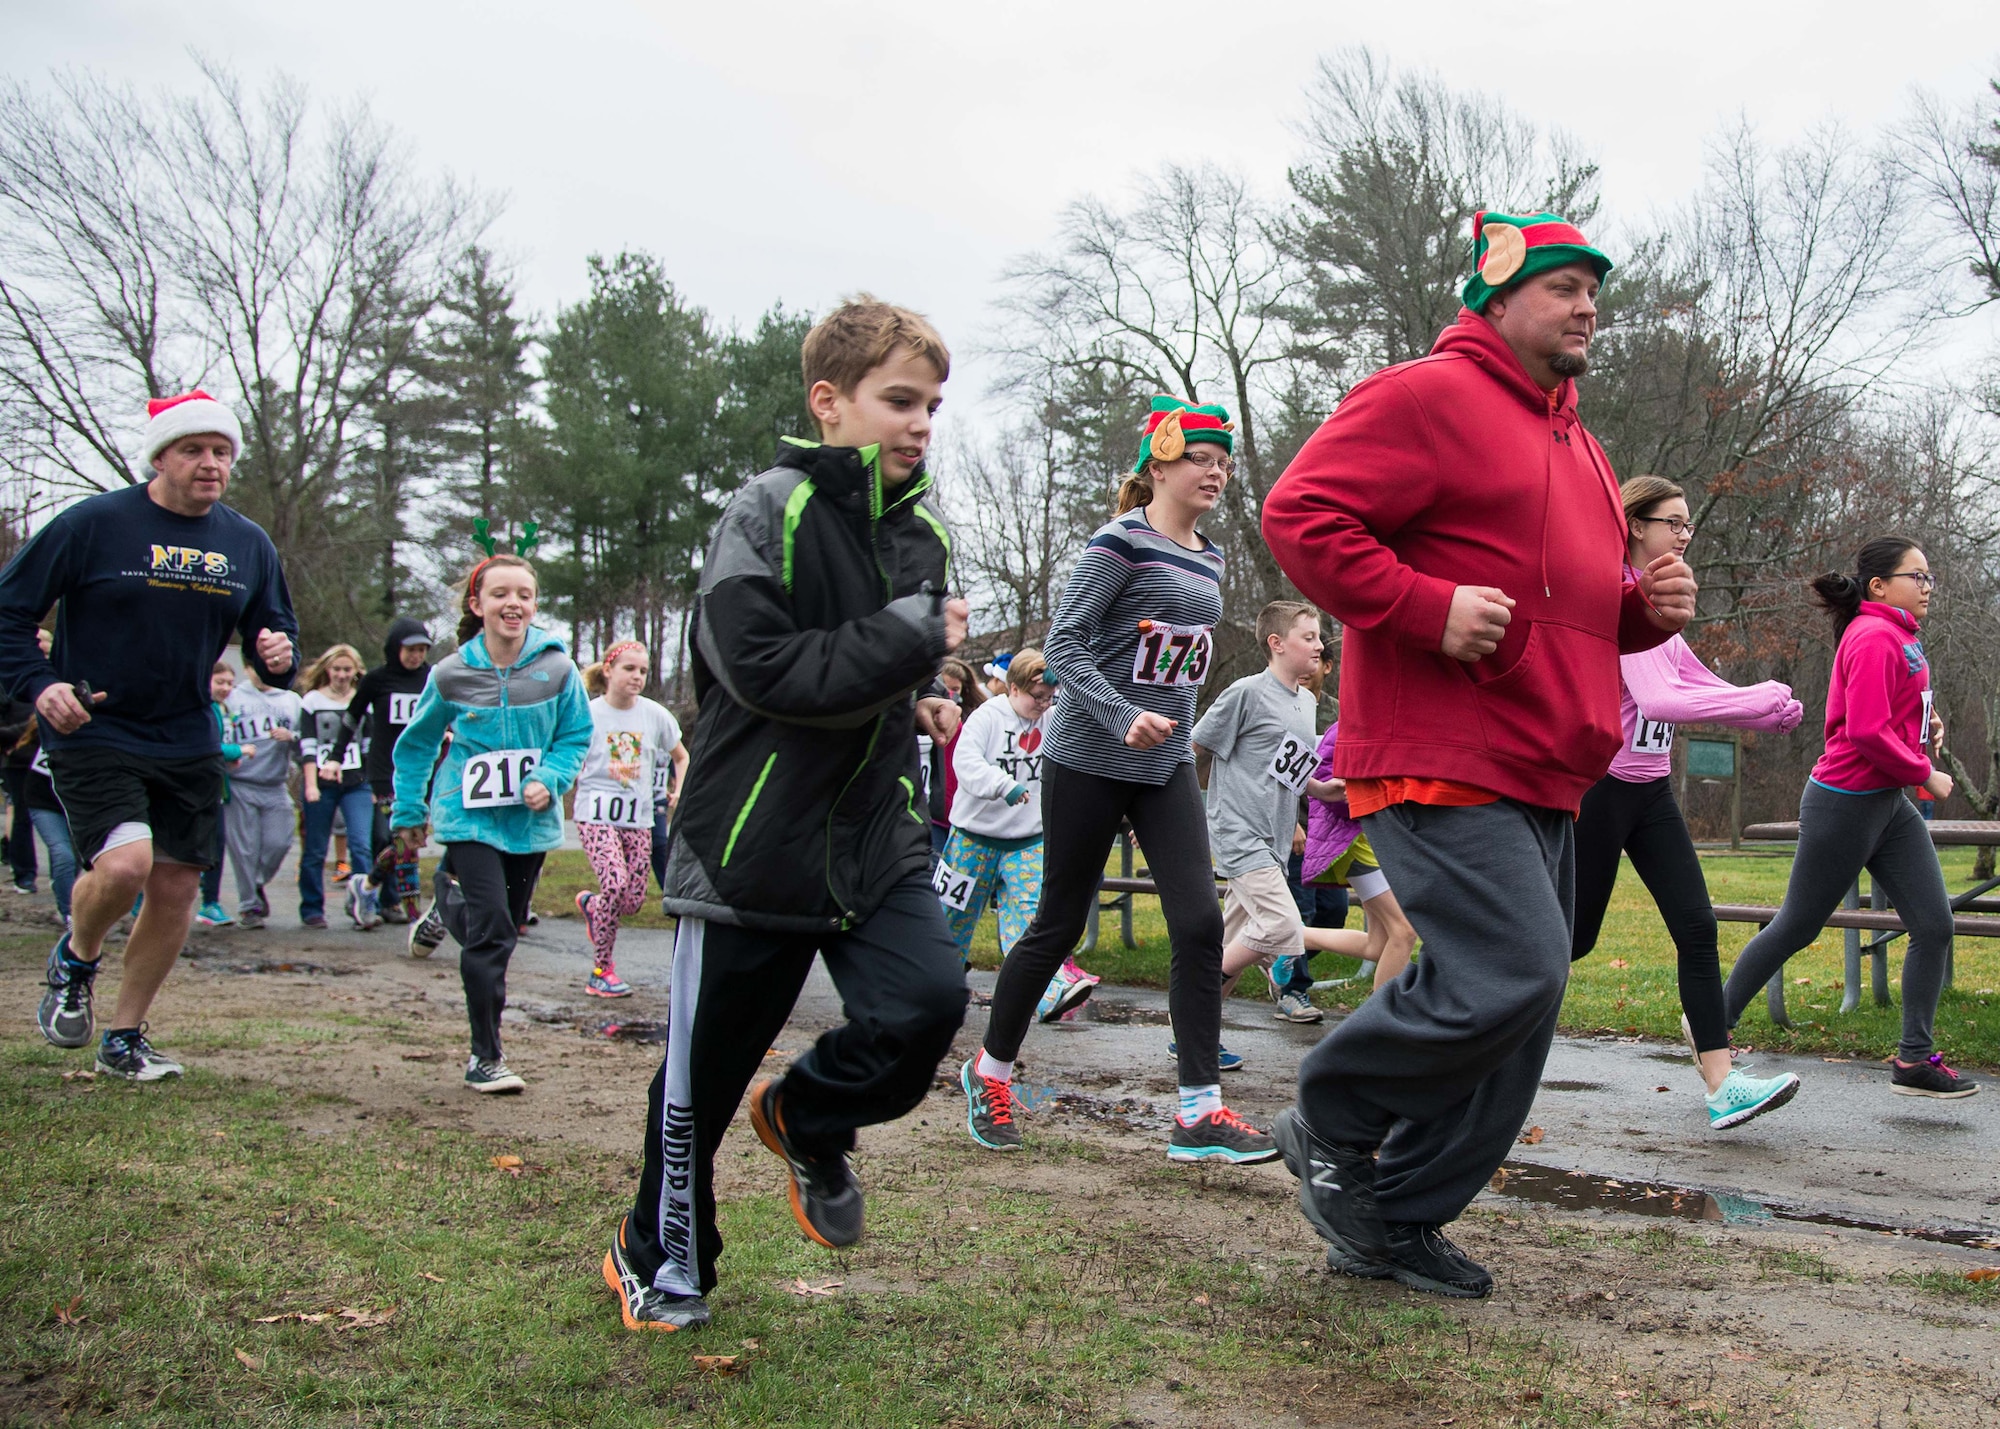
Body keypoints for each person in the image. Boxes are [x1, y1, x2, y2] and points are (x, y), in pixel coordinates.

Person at [1261, 211, 1697, 1297]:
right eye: (1561, 286)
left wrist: (1643, 613)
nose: (1586, 305)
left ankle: (1393, 1216)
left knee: (1520, 1006)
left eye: (1594, 288)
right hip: (1436, 748)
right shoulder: (1424, 395)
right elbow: (1301, 515)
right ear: (1495, 299)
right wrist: (1420, 605)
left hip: (1547, 760)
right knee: (1514, 969)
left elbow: (1573, 613)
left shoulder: (1585, 451)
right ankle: (1327, 1114)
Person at [607, 298, 969, 1334]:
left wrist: (923, 689)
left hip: (873, 838)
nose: (918, 424)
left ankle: (806, 1115)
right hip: (750, 846)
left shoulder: (924, 530)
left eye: (931, 407)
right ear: (829, 401)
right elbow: (757, 670)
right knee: (697, 1087)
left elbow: (885, 672)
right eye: (898, 400)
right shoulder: (761, 511)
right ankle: (659, 1255)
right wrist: (908, 645)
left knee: (925, 1005)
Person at [960, 396, 1277, 1166]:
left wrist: (1172, 733)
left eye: (1224, 462)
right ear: (1160, 463)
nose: (1216, 472)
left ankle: (1198, 1113)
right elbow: (1062, 648)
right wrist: (1120, 712)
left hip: (1161, 766)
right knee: (1057, 925)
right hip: (1088, 757)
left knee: (1201, 923)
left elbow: (1180, 665)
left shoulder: (1209, 555)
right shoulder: (1118, 544)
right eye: (1202, 457)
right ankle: (989, 1071)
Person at [0, 389, 298, 1081]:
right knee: (128, 864)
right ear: (159, 456)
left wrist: (274, 655)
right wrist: (42, 684)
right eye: (193, 449)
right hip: (93, 723)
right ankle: (77, 955)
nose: (209, 463)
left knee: (174, 888)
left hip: (188, 734)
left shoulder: (247, 542)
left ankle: (123, 1037)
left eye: (221, 452)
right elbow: (8, 613)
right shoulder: (96, 524)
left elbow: (272, 634)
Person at [1573, 476, 1805, 1127]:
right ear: (1635, 526)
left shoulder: (1664, 612)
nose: (1684, 532)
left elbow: (1695, 679)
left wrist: (1764, 712)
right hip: (1602, 790)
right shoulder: (1624, 599)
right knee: (1572, 939)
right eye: (1671, 521)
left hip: (1650, 791)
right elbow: (1660, 700)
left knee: (1697, 927)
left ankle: (1722, 1083)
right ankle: (1465, 1030)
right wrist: (1753, 700)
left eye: (1688, 524)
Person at [1722, 537, 1977, 1099]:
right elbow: (1862, 730)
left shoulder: (1901, 637)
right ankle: (1714, 1029)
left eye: (1930, 577)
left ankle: (1914, 1061)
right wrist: (1923, 772)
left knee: (1934, 925)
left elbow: (1887, 716)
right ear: (1880, 586)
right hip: (1844, 801)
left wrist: (1923, 731)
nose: (1928, 586)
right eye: (1918, 576)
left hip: (1887, 806)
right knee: (1799, 923)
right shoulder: (1873, 637)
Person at [391, 551, 593, 1094]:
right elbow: (416, 745)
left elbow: (576, 735)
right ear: (477, 604)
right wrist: (408, 811)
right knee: (495, 933)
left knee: (506, 923)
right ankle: (486, 1057)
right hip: (467, 817)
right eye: (501, 594)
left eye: (524, 595)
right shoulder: (452, 673)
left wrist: (549, 778)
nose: (514, 604)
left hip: (528, 821)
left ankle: (445, 907)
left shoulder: (557, 668)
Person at [1196, 603, 1385, 1045]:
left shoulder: (1305, 701)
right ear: (1276, 644)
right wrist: (1172, 814)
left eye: (1319, 636)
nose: (1320, 645)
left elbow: (1286, 767)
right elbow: (1196, 748)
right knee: (1281, 929)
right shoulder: (1245, 693)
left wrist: (1318, 791)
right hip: (1239, 832)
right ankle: (1199, 996)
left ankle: (1194, 1039)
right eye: (1309, 637)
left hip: (1276, 837)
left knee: (1232, 944)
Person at [935, 649, 1092, 1043]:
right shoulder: (986, 718)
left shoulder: (1054, 718)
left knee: (1029, 920)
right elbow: (966, 764)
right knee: (952, 919)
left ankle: (1048, 993)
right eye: (1035, 696)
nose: (1042, 705)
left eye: (1048, 698)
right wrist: (1002, 785)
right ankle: (933, 991)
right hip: (972, 841)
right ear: (1013, 687)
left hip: (1027, 841)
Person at [574, 640, 684, 998]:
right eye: (629, 669)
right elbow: (566, 755)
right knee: (615, 885)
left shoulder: (655, 715)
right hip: (595, 814)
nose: (637, 677)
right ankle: (601, 971)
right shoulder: (587, 714)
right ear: (608, 670)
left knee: (633, 902)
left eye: (642, 671)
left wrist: (679, 789)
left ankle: (593, 906)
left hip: (638, 819)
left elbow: (681, 756)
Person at [330, 617, 433, 923]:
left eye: (421, 650)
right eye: (409, 649)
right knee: (401, 841)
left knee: (408, 839)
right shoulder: (377, 680)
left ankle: (367, 886)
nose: (416, 656)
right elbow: (351, 719)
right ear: (395, 648)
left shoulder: (432, 679)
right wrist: (336, 757)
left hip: (420, 773)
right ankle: (412, 914)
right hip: (384, 771)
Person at [1300, 721, 1418, 988]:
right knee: (1404, 931)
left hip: (1379, 841)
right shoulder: (1348, 727)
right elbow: (1325, 781)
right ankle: (1380, 1025)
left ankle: (1291, 937)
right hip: (1352, 841)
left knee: (1378, 945)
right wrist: (1374, 801)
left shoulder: (1397, 728)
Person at [300, 645, 378, 930]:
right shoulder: (311, 701)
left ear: (356, 672)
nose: (342, 675)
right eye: (337, 669)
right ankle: (311, 908)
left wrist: (371, 785)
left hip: (356, 782)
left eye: (348, 670)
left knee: (360, 844)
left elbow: (369, 746)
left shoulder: (363, 702)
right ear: (327, 670)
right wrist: (311, 784)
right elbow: (307, 746)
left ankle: (364, 904)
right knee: (316, 849)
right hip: (322, 781)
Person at [222, 658, 303, 929]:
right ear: (246, 667)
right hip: (241, 782)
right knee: (244, 849)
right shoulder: (233, 697)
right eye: (256, 667)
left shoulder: (291, 700)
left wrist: (291, 737)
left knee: (279, 842)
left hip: (275, 783)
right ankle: (249, 907)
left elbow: (306, 740)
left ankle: (256, 884)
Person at [196, 662, 249, 927]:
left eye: (230, 683)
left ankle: (210, 903)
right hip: (197, 790)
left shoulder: (224, 709)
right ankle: (141, 902)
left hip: (218, 788)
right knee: (196, 848)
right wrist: (240, 751)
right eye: (220, 682)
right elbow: (209, 747)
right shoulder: (204, 710)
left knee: (215, 847)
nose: (226, 688)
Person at [20, 727, 76, 926]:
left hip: (78, 806)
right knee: (63, 854)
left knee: (76, 861)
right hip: (43, 803)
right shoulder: (49, 730)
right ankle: (68, 914)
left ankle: (66, 893)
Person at [1, 696, 37, 895]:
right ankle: (24, 875)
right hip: (19, 761)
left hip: (53, 760)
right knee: (21, 816)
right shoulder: (8, 683)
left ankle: (65, 877)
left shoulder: (54, 676)